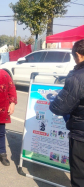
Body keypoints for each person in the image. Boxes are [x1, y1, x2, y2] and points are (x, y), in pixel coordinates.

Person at [50, 39, 84, 187]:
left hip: (81, 135)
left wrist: (55, 99)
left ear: (78, 55)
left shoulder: (78, 77)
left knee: (79, 177)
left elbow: (59, 108)